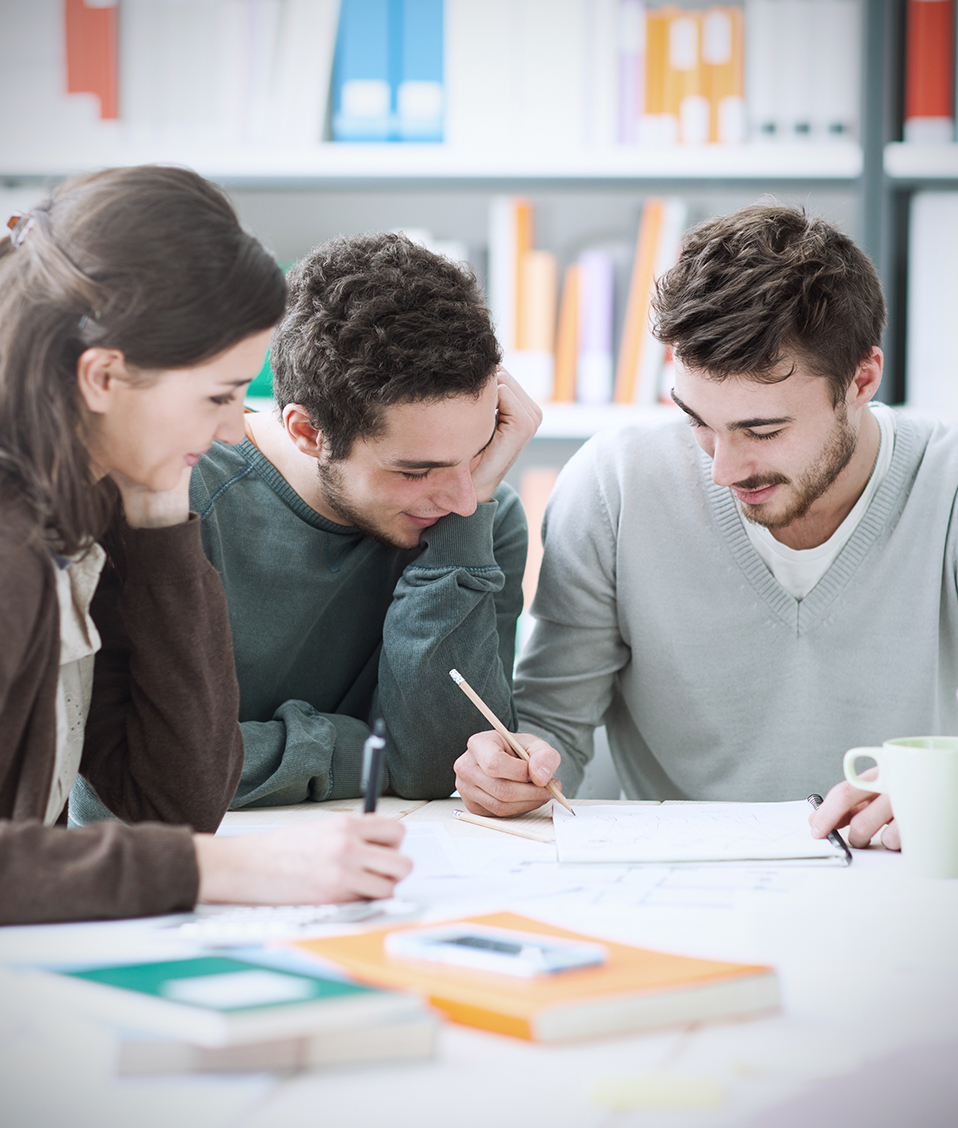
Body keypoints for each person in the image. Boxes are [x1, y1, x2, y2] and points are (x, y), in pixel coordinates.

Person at [455, 203, 955, 855]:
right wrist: (513, 770)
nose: (722, 470)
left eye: (762, 430)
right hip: (677, 884)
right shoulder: (614, 485)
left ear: (861, 380)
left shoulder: (945, 486)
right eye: (697, 420)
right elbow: (554, 730)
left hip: (901, 875)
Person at [0, 166, 409, 926]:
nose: (231, 431)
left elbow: (173, 805)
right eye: (219, 396)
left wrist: (160, 519)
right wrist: (225, 870)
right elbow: (188, 845)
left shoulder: (88, 512)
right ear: (103, 377)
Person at [70, 231, 537, 820]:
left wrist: (459, 545)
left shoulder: (479, 519)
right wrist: (365, 751)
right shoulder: (166, 500)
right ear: (309, 432)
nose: (463, 497)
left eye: (477, 453)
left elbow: (437, 763)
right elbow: (126, 784)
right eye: (415, 470)